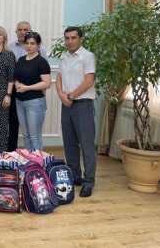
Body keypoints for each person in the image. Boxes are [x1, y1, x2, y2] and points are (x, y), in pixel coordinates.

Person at [55, 26, 97, 198]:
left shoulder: (87, 56)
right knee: (69, 143)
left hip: (82, 105)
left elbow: (89, 82)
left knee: (86, 145)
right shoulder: (64, 56)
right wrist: (61, 95)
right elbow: (59, 78)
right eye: (67, 38)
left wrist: (71, 96)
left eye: (73, 38)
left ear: (81, 39)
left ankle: (89, 182)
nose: (70, 41)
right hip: (66, 104)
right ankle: (75, 176)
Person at [8, 21, 50, 151]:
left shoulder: (41, 62)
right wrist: (17, 84)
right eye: (27, 43)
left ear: (38, 45)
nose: (29, 46)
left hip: (35, 101)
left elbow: (47, 83)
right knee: (26, 135)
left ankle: (37, 161)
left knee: (34, 136)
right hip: (20, 101)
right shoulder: (21, 60)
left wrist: (26, 88)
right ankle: (29, 160)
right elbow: (16, 76)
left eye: (32, 43)